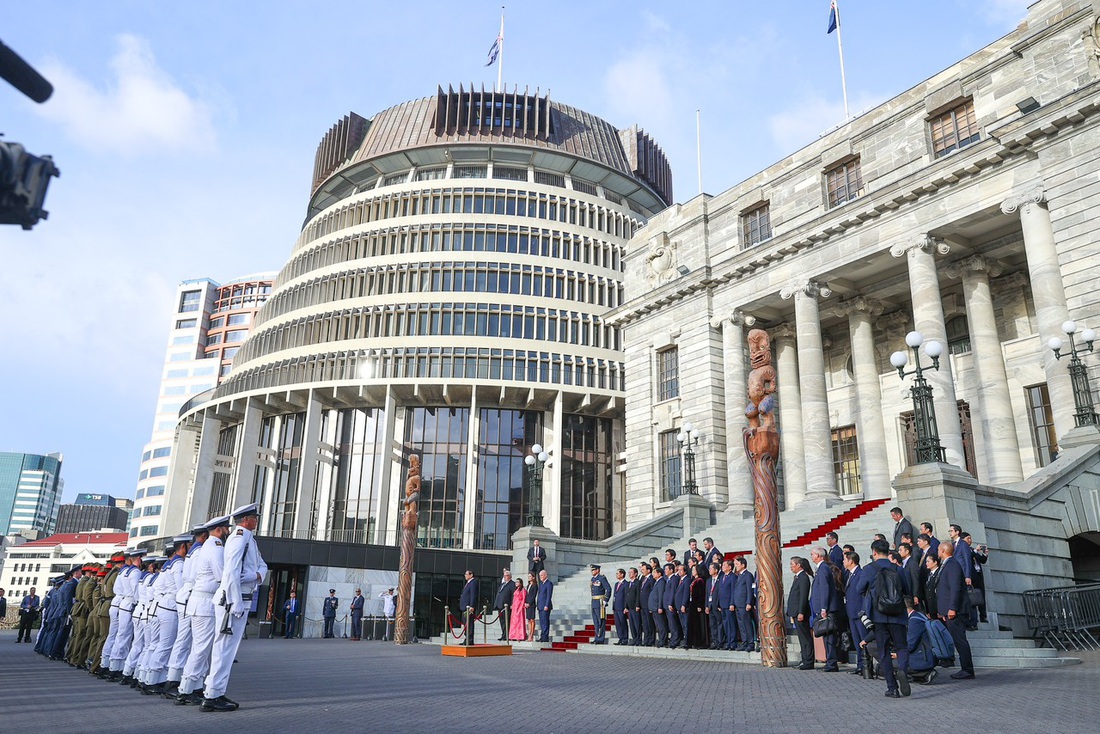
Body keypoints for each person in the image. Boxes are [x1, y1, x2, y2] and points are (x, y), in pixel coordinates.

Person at [201, 502, 269, 712]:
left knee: (227, 650)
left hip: (240, 597)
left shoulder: (249, 539)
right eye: (255, 517)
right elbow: (230, 572)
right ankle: (212, 695)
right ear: (247, 519)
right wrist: (235, 601)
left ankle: (215, 692)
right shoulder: (239, 538)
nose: (257, 520)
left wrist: (255, 575)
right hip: (232, 601)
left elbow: (263, 566)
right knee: (224, 649)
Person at [176, 515, 230, 705]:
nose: (228, 531)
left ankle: (194, 687)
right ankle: (185, 689)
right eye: (225, 528)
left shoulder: (207, 546)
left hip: (201, 603)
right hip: (205, 604)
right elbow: (222, 576)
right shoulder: (215, 548)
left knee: (202, 649)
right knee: (200, 649)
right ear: (218, 530)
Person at [855, 538, 912, 699]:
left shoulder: (868, 569)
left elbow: (859, 588)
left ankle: (892, 688)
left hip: (878, 615)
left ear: (874, 552)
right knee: (902, 647)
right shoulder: (897, 568)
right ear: (889, 552)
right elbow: (907, 589)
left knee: (884, 650)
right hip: (898, 614)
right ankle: (902, 669)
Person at [938, 542, 975, 680]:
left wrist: (952, 608)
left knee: (960, 640)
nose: (937, 551)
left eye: (938, 549)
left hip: (956, 611)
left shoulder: (952, 565)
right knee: (958, 640)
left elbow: (955, 588)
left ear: (943, 551)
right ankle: (966, 669)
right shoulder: (947, 564)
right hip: (950, 610)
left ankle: (967, 669)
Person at [809, 547, 840, 672]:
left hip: (826, 609)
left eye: (812, 554)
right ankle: (830, 660)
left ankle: (832, 662)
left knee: (829, 636)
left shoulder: (823, 568)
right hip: (823, 608)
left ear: (819, 556)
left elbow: (824, 589)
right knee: (825, 636)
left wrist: (823, 608)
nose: (811, 556)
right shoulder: (821, 568)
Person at [842, 551, 869, 676]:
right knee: (857, 640)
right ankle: (860, 665)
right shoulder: (849, 574)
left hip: (859, 612)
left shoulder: (861, 573)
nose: (843, 562)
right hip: (851, 612)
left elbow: (863, 593)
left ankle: (866, 665)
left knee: (863, 639)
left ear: (851, 560)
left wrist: (863, 611)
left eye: (845, 559)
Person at [904, 597, 938, 685]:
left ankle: (924, 674)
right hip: (927, 653)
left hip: (924, 657)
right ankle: (920, 675)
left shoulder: (914, 621)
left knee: (896, 663)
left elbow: (910, 644)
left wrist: (898, 653)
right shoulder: (919, 615)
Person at [787, 557, 813, 670]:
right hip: (796, 612)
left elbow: (803, 596)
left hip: (800, 612)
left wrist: (801, 612)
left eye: (792, 564)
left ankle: (808, 661)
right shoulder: (798, 577)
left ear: (799, 565)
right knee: (802, 638)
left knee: (805, 638)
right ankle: (804, 659)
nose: (791, 566)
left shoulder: (803, 577)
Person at [732, 557, 755, 652]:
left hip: (744, 604)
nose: (736, 566)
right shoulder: (739, 575)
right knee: (741, 625)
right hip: (738, 604)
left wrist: (749, 602)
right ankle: (744, 642)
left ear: (743, 565)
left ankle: (750, 643)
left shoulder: (748, 575)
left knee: (747, 623)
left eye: (737, 564)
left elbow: (750, 590)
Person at [588, 564, 611, 644]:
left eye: (593, 570)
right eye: (591, 570)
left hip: (600, 601)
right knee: (595, 621)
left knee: (601, 620)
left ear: (598, 570)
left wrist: (605, 600)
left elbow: (608, 589)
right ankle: (597, 637)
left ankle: (601, 638)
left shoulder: (602, 578)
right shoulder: (593, 579)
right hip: (594, 601)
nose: (592, 571)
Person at [686, 564, 707, 649]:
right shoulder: (693, 580)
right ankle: (691, 641)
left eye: (694, 570)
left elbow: (701, 594)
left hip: (696, 604)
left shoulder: (700, 581)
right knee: (691, 623)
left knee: (697, 624)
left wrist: (699, 605)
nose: (692, 571)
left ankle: (698, 642)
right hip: (692, 604)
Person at [493, 569, 516, 642]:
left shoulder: (512, 584)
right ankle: (503, 635)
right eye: (504, 575)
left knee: (507, 621)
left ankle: (507, 635)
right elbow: (499, 594)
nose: (505, 577)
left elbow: (513, 595)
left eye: (506, 576)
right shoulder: (503, 584)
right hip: (500, 605)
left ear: (510, 576)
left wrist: (512, 604)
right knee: (502, 621)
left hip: (507, 606)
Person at [648, 564, 667, 648]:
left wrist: (660, 607)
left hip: (657, 607)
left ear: (659, 574)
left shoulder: (661, 582)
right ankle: (661, 640)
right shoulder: (657, 582)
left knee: (661, 625)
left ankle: (663, 640)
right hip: (654, 607)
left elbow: (660, 595)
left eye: (655, 572)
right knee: (658, 626)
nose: (653, 574)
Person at [637, 563, 655, 646]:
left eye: (643, 569)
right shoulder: (643, 578)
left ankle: (651, 640)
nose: (642, 571)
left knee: (650, 623)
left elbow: (652, 592)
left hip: (648, 605)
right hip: (642, 605)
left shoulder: (651, 579)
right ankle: (646, 639)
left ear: (648, 570)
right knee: (645, 623)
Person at [459, 570, 478, 645]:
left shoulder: (473, 583)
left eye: (466, 574)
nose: (465, 575)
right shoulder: (468, 583)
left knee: (469, 623)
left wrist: (472, 606)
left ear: (471, 575)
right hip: (464, 606)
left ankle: (469, 639)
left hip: (468, 607)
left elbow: (473, 595)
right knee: (465, 623)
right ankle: (466, 638)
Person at [624, 567, 641, 646]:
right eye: (629, 572)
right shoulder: (628, 583)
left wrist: (637, 605)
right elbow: (627, 596)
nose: (629, 574)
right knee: (632, 625)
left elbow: (638, 595)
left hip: (635, 606)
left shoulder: (638, 582)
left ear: (635, 574)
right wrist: (626, 607)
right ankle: (634, 639)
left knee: (637, 624)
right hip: (629, 607)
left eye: (631, 572)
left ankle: (638, 639)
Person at [611, 568, 628, 645]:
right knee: (618, 624)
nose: (617, 575)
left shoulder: (626, 584)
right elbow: (614, 596)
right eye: (616, 573)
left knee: (623, 623)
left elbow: (626, 597)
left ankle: (625, 639)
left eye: (618, 573)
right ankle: (620, 638)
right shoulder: (616, 584)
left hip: (622, 607)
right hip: (616, 607)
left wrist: (625, 607)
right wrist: (613, 607)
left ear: (622, 574)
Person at [536, 569, 553, 643]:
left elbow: (549, 595)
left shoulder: (549, 583)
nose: (540, 577)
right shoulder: (541, 584)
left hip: (545, 606)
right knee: (542, 622)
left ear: (546, 575)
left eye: (542, 575)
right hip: (540, 606)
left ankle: (545, 637)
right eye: (540, 576)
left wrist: (546, 605)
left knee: (545, 622)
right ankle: (542, 636)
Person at [923, 552, 941, 617]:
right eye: (926, 561)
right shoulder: (929, 574)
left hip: (938, 608)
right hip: (931, 608)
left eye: (928, 561)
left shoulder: (939, 574)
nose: (926, 563)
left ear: (935, 562)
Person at [524, 572, 538, 641]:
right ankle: (529, 633)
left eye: (530, 576)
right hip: (527, 604)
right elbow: (527, 595)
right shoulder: (528, 585)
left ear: (533, 577)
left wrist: (529, 603)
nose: (529, 578)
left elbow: (533, 596)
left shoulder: (535, 585)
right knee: (529, 620)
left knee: (532, 619)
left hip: (532, 604)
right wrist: (525, 603)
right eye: (528, 576)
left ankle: (531, 635)